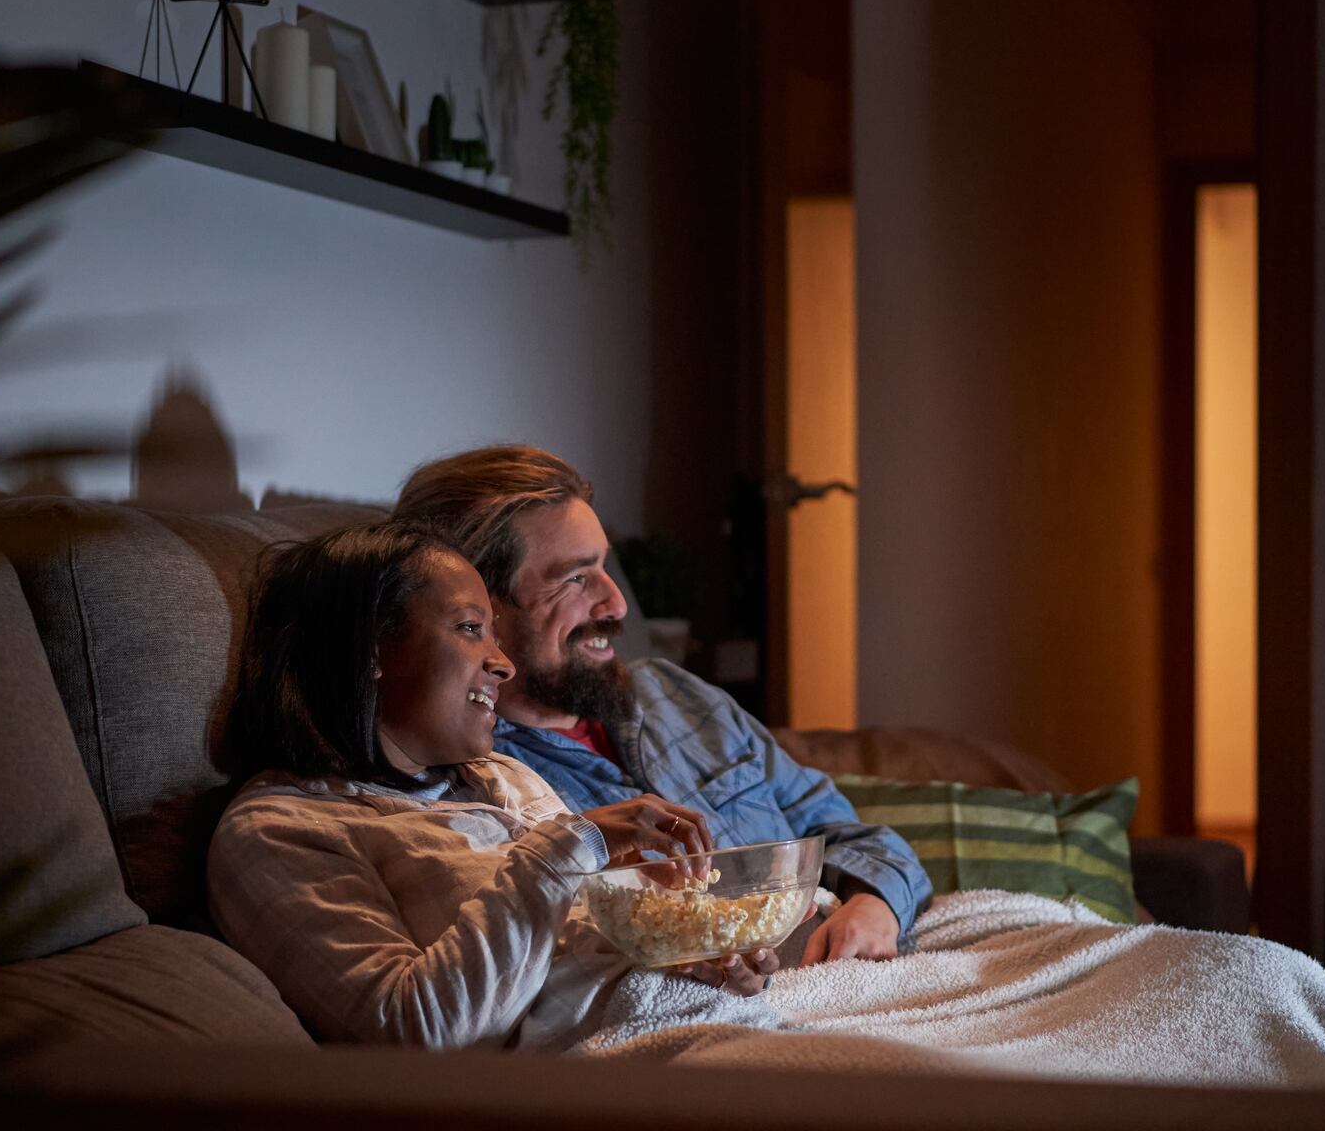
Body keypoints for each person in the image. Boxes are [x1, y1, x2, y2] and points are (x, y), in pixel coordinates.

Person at [208, 522, 775, 1053]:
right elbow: (416, 1030)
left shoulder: (505, 776)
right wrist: (572, 845)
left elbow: (574, 941)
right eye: (469, 629)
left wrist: (689, 943)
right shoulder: (280, 831)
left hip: (721, 1020)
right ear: (369, 650)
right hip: (618, 1076)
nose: (502, 664)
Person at [392, 445, 930, 968]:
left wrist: (875, 904)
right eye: (575, 578)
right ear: (476, 605)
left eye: (606, 567)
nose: (617, 603)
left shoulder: (677, 696)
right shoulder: (471, 787)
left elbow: (850, 834)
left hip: (856, 974)